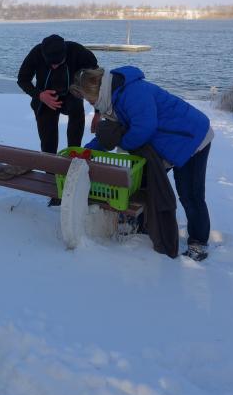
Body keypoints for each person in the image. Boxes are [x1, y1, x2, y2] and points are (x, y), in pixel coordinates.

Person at [74, 66, 214, 261]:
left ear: (97, 91)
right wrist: (87, 152)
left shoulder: (132, 92)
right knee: (144, 184)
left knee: (190, 195)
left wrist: (123, 143)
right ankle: (141, 225)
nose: (90, 104)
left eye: (89, 99)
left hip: (191, 138)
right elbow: (113, 134)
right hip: (167, 142)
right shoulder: (113, 98)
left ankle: (198, 242)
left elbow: (144, 128)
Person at [17, 34, 98, 205]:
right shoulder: (36, 53)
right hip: (45, 97)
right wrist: (39, 95)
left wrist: (97, 111)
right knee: (48, 146)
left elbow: (96, 80)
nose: (54, 66)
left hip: (71, 95)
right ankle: (53, 187)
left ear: (65, 54)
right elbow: (22, 79)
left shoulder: (78, 52)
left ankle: (74, 176)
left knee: (74, 143)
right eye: (50, 64)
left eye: (58, 63)